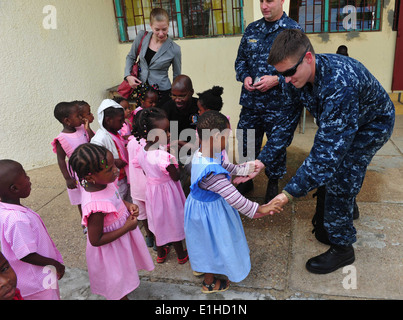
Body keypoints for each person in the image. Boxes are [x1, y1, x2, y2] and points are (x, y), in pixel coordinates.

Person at [266, 29, 395, 274]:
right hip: (348, 119)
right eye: (280, 74)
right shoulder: (294, 76)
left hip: (372, 124)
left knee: (339, 178)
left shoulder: (340, 85)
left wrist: (288, 195)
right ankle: (349, 208)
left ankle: (342, 248)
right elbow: (284, 121)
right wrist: (263, 161)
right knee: (337, 171)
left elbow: (325, 156)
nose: (285, 80)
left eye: (289, 73)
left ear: (308, 59)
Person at [184, 111, 283, 293]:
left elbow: (223, 165)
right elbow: (236, 199)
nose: (227, 142)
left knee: (202, 242)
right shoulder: (212, 175)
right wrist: (261, 207)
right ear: (215, 137)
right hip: (211, 214)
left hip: (200, 209)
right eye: (226, 138)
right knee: (214, 244)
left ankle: (200, 266)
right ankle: (209, 282)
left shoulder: (202, 153)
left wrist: (243, 169)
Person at [234, 0, 303, 202]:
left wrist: (277, 80)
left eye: (270, 1)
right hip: (251, 102)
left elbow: (301, 69)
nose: (264, 6)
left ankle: (273, 181)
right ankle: (246, 180)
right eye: (261, 1)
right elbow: (240, 61)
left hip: (279, 104)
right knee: (245, 142)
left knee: (276, 145)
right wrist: (244, 76)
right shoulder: (252, 29)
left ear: (282, 1)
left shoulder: (293, 30)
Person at [68, 143, 154, 300]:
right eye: (109, 169)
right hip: (109, 251)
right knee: (117, 282)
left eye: (114, 164)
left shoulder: (105, 182)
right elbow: (95, 239)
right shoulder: (95, 207)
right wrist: (127, 227)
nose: (116, 170)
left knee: (124, 272)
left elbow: (115, 199)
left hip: (119, 243)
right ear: (90, 177)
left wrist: (128, 206)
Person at [0, 160, 65, 300]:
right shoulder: (17, 219)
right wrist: (54, 264)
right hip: (38, 283)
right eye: (25, 176)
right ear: (14, 189)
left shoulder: (4, 210)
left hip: (33, 280)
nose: (29, 179)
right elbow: (25, 254)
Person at [132, 108, 188, 265]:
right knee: (172, 221)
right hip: (168, 193)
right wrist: (174, 162)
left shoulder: (142, 151)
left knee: (157, 222)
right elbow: (176, 176)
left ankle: (161, 254)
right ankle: (181, 254)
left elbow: (144, 171)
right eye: (164, 131)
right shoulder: (163, 156)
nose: (169, 134)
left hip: (152, 191)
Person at [124, 8, 181, 107]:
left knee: (168, 120)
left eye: (164, 29)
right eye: (157, 29)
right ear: (151, 25)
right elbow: (131, 57)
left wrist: (176, 97)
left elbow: (177, 75)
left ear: (168, 25)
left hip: (163, 92)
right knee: (143, 119)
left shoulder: (175, 49)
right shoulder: (142, 36)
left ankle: (174, 123)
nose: (161, 33)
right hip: (142, 90)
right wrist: (128, 76)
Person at [52, 102, 92, 230]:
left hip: (90, 169)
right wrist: (67, 178)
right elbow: (61, 159)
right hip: (76, 173)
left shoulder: (82, 129)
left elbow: (93, 140)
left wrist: (87, 127)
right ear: (67, 121)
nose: (81, 118)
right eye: (78, 116)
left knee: (91, 193)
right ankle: (85, 221)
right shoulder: (61, 139)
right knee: (80, 197)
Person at [91, 99, 130, 202]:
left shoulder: (115, 133)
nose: (123, 124)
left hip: (122, 177)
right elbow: (96, 159)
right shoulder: (100, 138)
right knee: (118, 201)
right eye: (120, 120)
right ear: (108, 120)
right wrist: (113, 161)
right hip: (114, 180)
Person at [127, 119, 156, 250]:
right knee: (155, 215)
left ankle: (149, 236)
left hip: (136, 186)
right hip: (151, 186)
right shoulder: (152, 144)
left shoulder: (131, 142)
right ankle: (159, 241)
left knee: (143, 214)